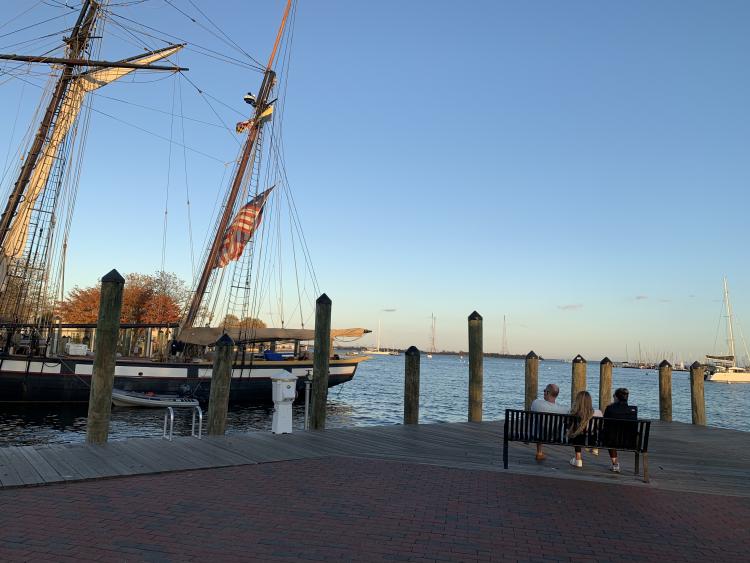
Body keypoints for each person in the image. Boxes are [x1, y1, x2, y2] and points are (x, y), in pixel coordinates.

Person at [530, 383, 568, 461]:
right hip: (555, 437)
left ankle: (539, 452)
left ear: (547, 393)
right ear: (556, 395)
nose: (544, 392)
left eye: (544, 391)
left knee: (539, 424)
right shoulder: (563, 410)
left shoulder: (536, 403)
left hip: (538, 435)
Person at [603, 387, 638, 473]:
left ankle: (615, 464)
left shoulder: (610, 409)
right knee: (613, 435)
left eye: (614, 396)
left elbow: (605, 423)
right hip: (630, 441)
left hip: (612, 440)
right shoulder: (633, 410)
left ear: (616, 397)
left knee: (611, 435)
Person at [567, 391, 603, 468]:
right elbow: (600, 428)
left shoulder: (573, 413)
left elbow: (568, 427)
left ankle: (578, 459)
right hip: (592, 440)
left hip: (577, 439)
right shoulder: (598, 412)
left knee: (576, 433)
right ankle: (594, 447)